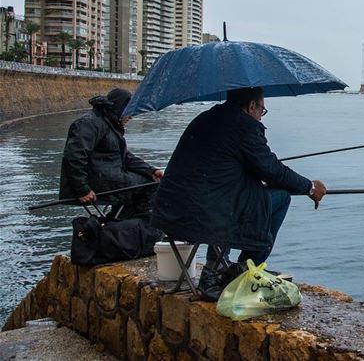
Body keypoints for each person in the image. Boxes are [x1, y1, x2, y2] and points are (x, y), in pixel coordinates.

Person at [150, 86, 326, 301]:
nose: (261, 117)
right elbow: (272, 170)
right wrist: (309, 187)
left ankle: (228, 268)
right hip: (204, 215)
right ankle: (245, 268)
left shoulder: (205, 118)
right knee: (280, 197)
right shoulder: (243, 127)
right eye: (262, 111)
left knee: (234, 200)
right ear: (252, 105)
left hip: (171, 211)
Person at [59, 88, 163, 219]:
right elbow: (74, 157)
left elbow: (125, 157)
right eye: (129, 112)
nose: (131, 117)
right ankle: (132, 224)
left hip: (109, 178)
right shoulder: (89, 123)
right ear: (120, 109)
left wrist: (151, 171)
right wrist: (82, 189)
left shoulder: (108, 123)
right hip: (97, 183)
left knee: (152, 181)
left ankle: (120, 223)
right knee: (152, 186)